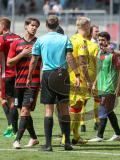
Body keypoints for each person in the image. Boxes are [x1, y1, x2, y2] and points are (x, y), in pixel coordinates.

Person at [27, 15, 80, 151]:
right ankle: (67, 143)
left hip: (48, 74)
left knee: (49, 109)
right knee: (63, 109)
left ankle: (49, 145)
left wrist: (29, 77)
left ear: (46, 25)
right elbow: (69, 57)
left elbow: (33, 61)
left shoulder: (41, 40)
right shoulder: (64, 38)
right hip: (62, 74)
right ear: (58, 25)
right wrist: (77, 75)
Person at [7, 17, 41, 149]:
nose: (34, 28)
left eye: (36, 26)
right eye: (32, 25)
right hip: (19, 82)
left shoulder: (39, 43)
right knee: (23, 111)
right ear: (26, 26)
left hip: (33, 82)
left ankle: (17, 140)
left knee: (25, 110)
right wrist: (22, 54)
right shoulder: (16, 43)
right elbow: (9, 62)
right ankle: (33, 138)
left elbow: (44, 62)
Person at [68, 17, 98, 144]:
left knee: (77, 107)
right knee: (75, 108)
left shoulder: (71, 39)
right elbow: (82, 63)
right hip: (79, 80)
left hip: (71, 78)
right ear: (86, 26)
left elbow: (68, 58)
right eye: (89, 25)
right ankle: (66, 137)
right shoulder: (81, 42)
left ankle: (75, 136)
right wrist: (88, 80)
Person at [88, 32, 120, 142]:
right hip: (101, 86)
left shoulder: (113, 54)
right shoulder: (99, 53)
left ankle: (99, 136)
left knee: (103, 108)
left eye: (103, 40)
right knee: (108, 111)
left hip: (110, 86)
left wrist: (119, 87)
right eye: (99, 40)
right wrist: (95, 83)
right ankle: (118, 134)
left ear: (108, 41)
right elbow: (100, 70)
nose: (101, 42)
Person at [0, 17, 21, 138]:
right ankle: (13, 127)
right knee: (13, 101)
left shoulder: (2, 39)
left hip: (5, 74)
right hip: (18, 74)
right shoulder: (18, 37)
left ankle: (12, 128)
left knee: (6, 100)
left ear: (3, 27)